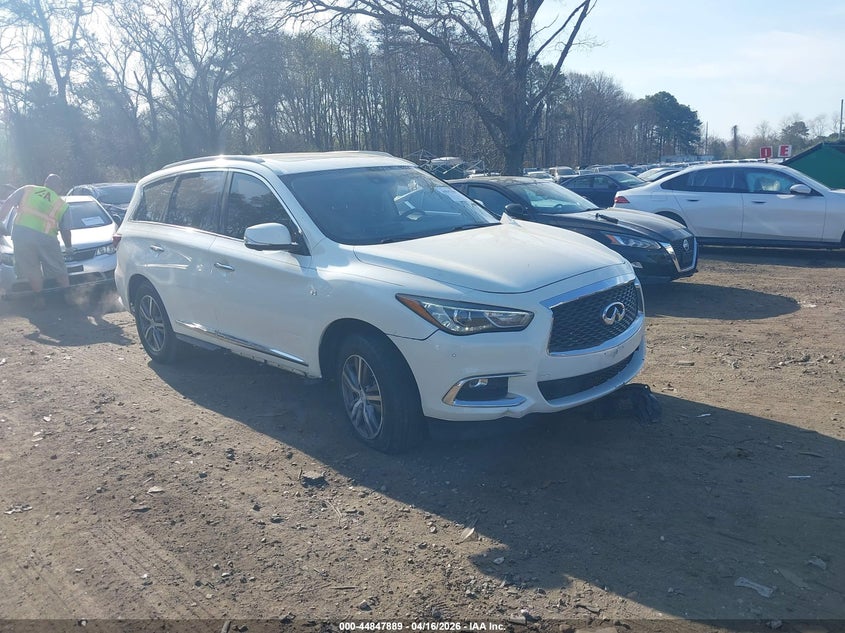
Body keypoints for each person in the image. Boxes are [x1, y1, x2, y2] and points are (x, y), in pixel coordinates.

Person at [0, 174, 73, 305]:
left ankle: (39, 299)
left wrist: (1, 219)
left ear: (45, 183)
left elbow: (8, 202)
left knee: (32, 268)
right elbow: (66, 231)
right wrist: (69, 247)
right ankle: (68, 296)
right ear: (60, 188)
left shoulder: (27, 189)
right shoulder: (62, 204)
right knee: (58, 267)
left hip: (21, 235)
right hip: (46, 238)